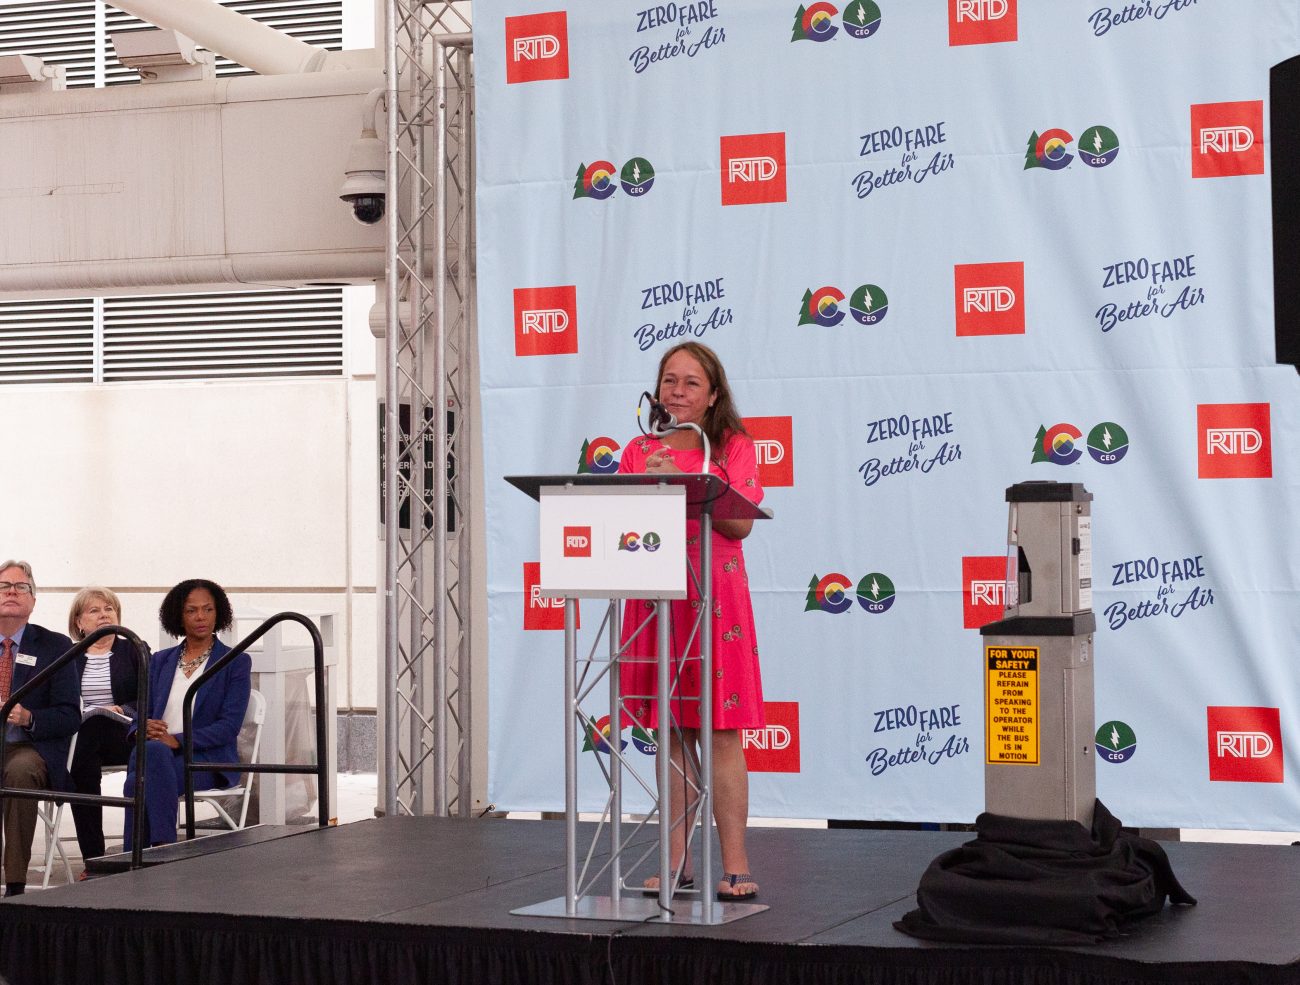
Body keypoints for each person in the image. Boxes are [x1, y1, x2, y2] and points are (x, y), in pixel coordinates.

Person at [619, 342, 765, 902]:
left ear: (713, 394)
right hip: (656, 597)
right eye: (669, 381)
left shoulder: (733, 446)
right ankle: (676, 861)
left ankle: (735, 865)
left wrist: (688, 475)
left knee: (721, 732)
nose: (678, 392)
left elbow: (740, 525)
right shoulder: (638, 450)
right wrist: (648, 486)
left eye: (691, 383)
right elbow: (622, 526)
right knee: (672, 733)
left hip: (715, 598)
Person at [122, 579, 250, 850]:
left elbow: (229, 727)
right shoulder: (160, 660)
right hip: (157, 755)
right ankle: (162, 851)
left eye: (208, 609)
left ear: (218, 613)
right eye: (191, 610)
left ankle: (140, 855)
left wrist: (177, 740)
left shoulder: (235, 662)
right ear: (178, 616)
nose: (201, 617)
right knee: (152, 755)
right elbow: (141, 713)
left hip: (204, 760)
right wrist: (141, 728)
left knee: (136, 781)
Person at [0, 560, 79, 898]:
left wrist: (28, 717)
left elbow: (70, 715)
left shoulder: (55, 646)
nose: (12, 592)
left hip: (29, 748)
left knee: (19, 771)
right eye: (4, 586)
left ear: (33, 601)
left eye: (22, 587)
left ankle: (15, 885)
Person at [66, 587, 140, 868]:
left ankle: (97, 859)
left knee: (92, 731)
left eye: (109, 609)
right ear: (79, 622)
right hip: (82, 740)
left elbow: (151, 696)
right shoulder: (68, 656)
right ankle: (94, 858)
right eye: (94, 610)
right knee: (82, 757)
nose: (104, 615)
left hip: (124, 735)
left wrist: (122, 709)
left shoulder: (134, 649)